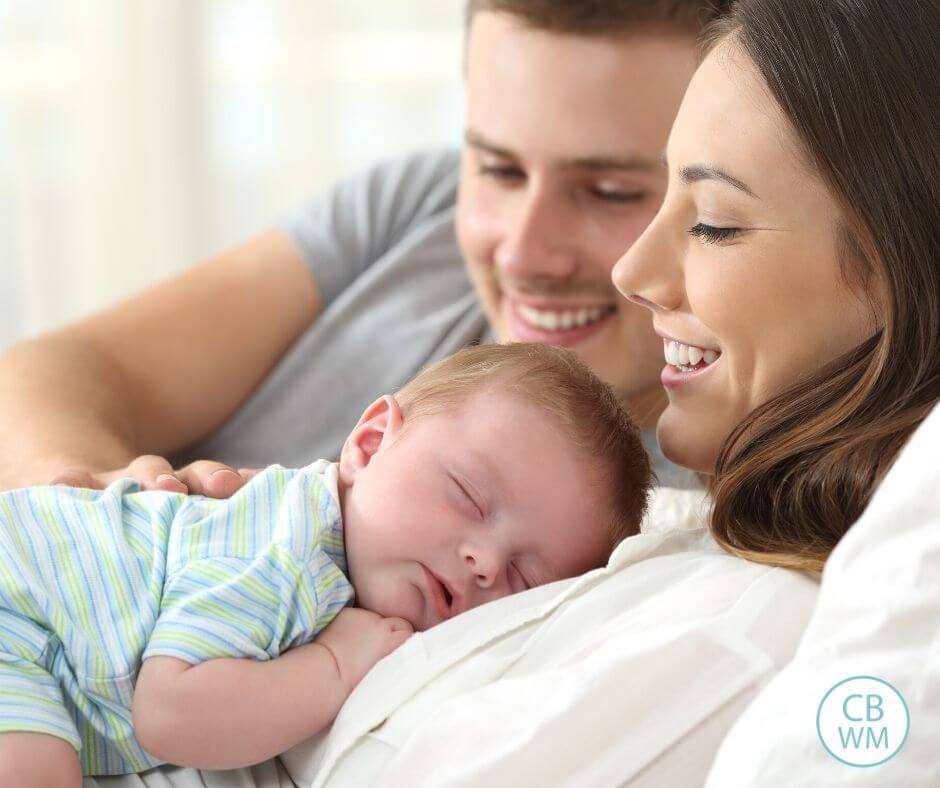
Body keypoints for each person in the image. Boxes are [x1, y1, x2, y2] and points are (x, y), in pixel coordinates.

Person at [229, 1, 936, 785]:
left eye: (713, 224)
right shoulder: (688, 539)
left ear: (909, 271)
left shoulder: (750, 634)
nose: (632, 273)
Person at [0, 1, 726, 497]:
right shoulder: (418, 205)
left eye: (610, 192)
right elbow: (46, 375)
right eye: (499, 169)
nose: (524, 256)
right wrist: (99, 509)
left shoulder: (710, 505)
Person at [0, 343, 653, 785]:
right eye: (467, 496)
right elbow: (171, 713)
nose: (483, 561)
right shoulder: (286, 550)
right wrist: (335, 668)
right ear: (369, 444)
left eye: (526, 576)